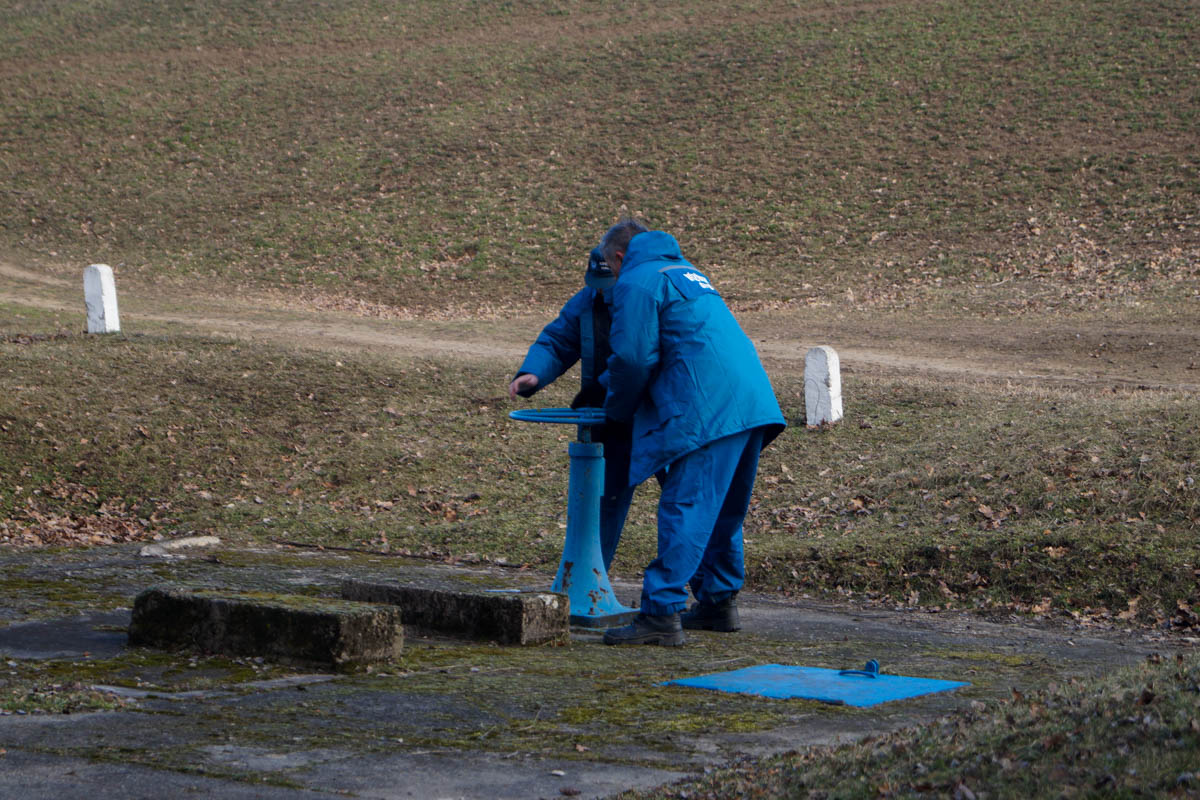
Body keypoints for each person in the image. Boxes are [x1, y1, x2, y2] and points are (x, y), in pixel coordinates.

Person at [597, 218, 786, 646]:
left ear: (620, 257)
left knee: (687, 506)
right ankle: (718, 604)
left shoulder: (638, 281)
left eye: (610, 265)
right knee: (721, 510)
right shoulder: (689, 274)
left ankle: (661, 613)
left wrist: (614, 410)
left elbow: (632, 358)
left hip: (706, 409)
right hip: (750, 402)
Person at [509, 245, 642, 572]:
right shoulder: (588, 299)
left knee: (683, 505)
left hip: (659, 415)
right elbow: (558, 340)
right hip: (611, 416)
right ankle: (590, 579)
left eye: (606, 283)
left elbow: (639, 355)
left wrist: (600, 385)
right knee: (603, 502)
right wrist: (533, 373)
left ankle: (705, 598)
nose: (602, 293)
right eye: (595, 284)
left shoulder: (645, 296)